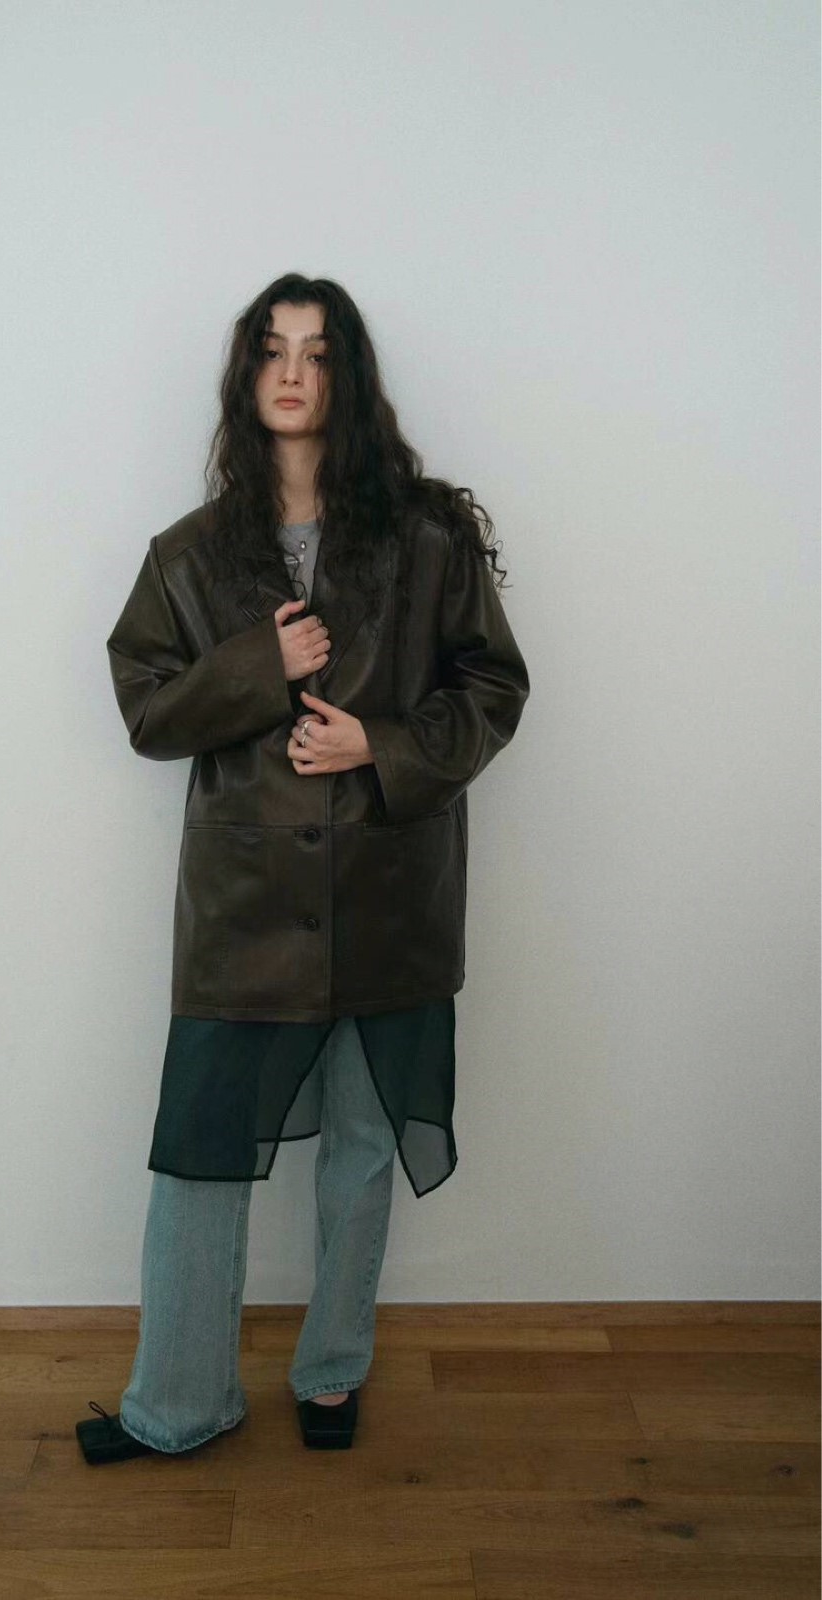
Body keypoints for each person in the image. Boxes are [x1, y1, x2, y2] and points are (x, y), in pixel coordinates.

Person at [75, 273, 530, 1465]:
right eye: (272, 350)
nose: (291, 372)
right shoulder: (187, 556)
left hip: (388, 894)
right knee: (198, 1154)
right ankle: (178, 1402)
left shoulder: (428, 538)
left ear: (347, 377)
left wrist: (376, 744)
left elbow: (492, 687)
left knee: (362, 1147)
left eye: (317, 352)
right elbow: (145, 708)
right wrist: (255, 667)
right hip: (245, 910)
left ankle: (332, 1372)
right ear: (246, 377)